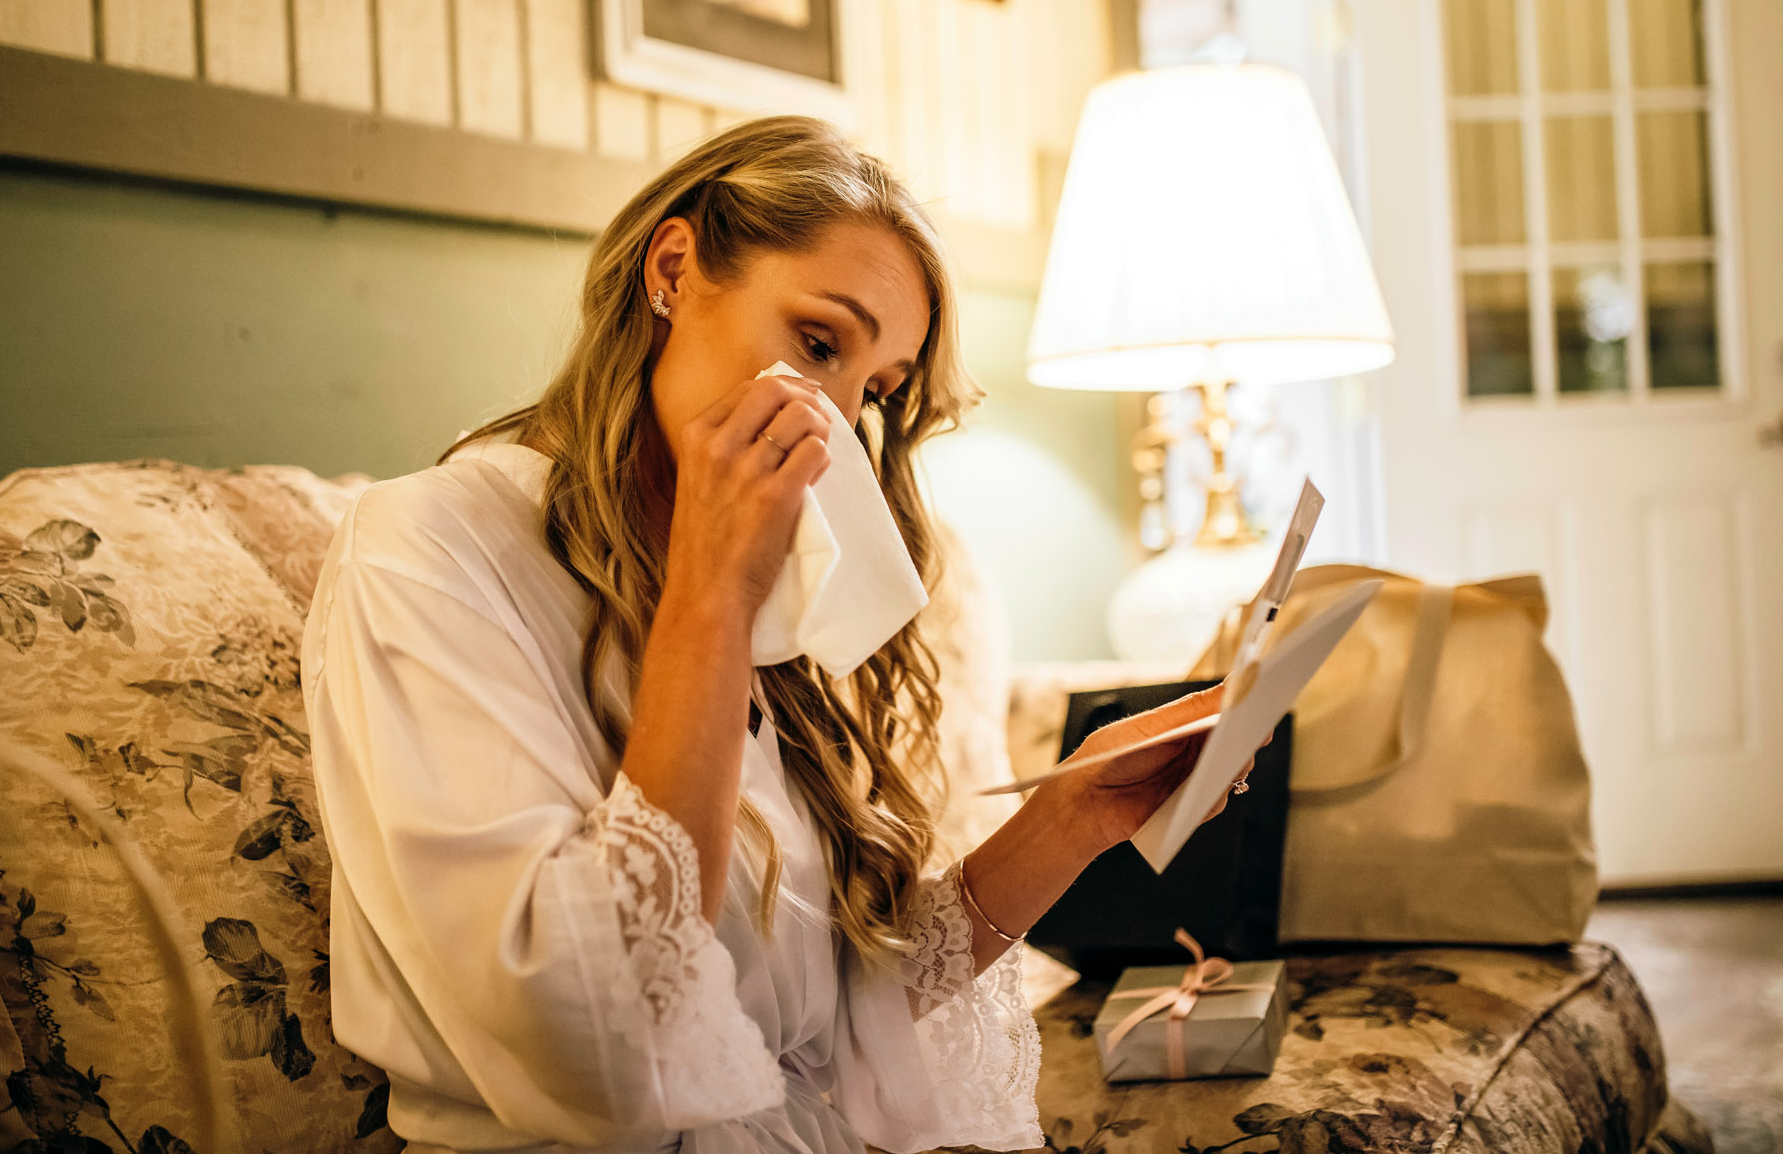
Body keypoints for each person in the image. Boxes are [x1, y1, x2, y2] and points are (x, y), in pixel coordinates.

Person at [300, 114, 1239, 1154]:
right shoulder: (429, 548)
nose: (837, 422)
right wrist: (711, 598)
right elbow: (590, 1038)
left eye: (873, 391)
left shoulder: (779, 598)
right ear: (672, 270)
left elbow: (824, 1014)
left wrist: (1070, 816)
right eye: (817, 344)